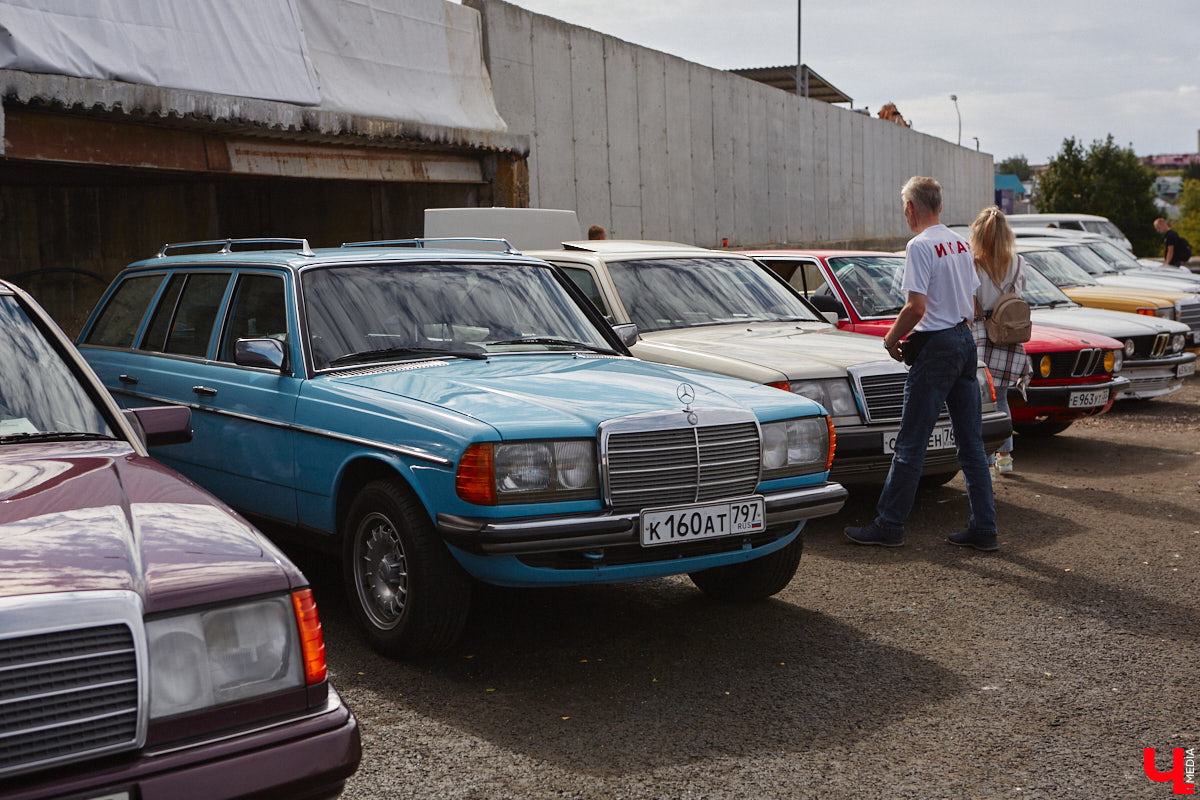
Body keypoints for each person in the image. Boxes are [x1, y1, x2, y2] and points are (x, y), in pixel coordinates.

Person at [845, 176, 998, 551]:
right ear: (940, 206)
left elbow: (916, 307)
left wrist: (891, 338)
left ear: (911, 208)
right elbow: (973, 303)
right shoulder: (961, 243)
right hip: (965, 341)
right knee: (971, 444)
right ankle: (985, 527)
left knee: (911, 442)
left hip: (937, 346)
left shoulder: (919, 246)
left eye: (904, 208)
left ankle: (889, 524)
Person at [969, 206, 1031, 478]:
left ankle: (985, 458)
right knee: (1002, 398)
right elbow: (1018, 294)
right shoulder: (1017, 262)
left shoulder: (973, 263)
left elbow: (970, 305)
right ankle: (1005, 458)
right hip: (1009, 335)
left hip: (982, 334)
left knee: (978, 401)